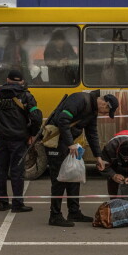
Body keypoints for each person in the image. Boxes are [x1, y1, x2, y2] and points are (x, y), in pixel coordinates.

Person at [45, 89, 118, 227]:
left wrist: (98, 156)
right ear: (104, 104)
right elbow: (62, 120)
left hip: (68, 143)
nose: (105, 114)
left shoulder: (92, 111)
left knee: (74, 175)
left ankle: (74, 212)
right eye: (107, 111)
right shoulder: (80, 99)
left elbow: (92, 133)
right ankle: (54, 215)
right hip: (56, 142)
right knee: (59, 179)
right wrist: (70, 144)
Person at [0, 69, 42, 213]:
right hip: (19, 140)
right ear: (22, 81)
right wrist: (32, 134)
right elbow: (36, 118)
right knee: (17, 172)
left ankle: (3, 202)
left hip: (2, 140)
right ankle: (17, 204)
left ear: (8, 80)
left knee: (1, 171)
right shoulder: (26, 96)